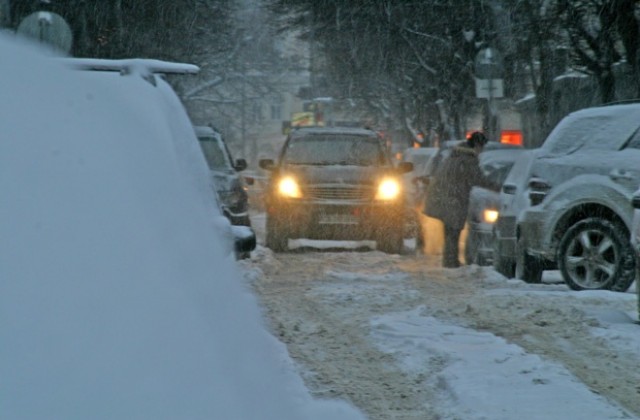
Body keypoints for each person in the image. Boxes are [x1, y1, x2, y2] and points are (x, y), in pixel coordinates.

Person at [423, 132, 500, 268]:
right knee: (453, 230)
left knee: (450, 231)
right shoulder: (467, 158)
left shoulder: (456, 154)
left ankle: (449, 261)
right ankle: (451, 262)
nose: (481, 151)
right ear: (477, 144)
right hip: (453, 199)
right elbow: (477, 178)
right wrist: (497, 187)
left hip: (444, 197)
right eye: (481, 147)